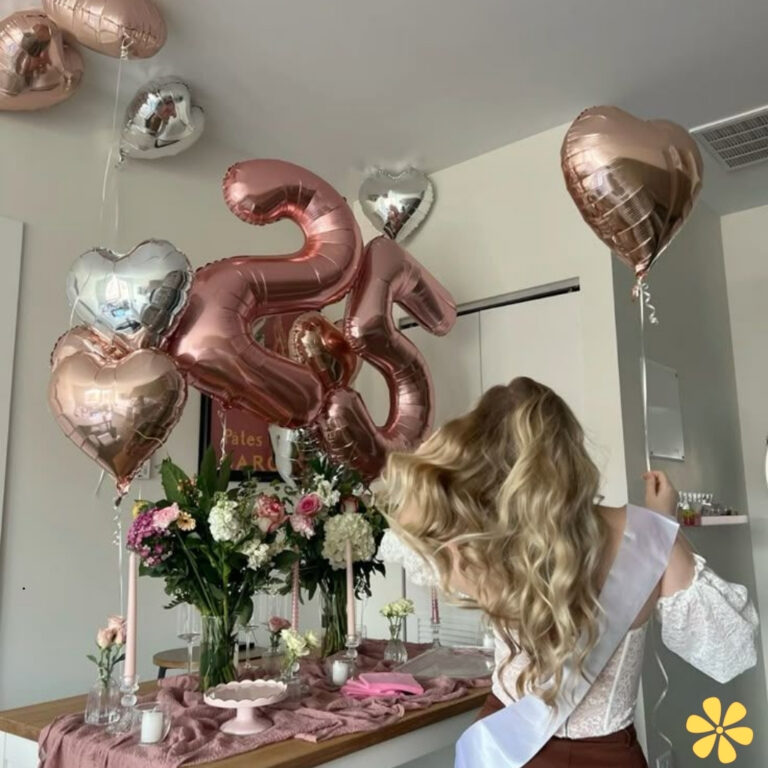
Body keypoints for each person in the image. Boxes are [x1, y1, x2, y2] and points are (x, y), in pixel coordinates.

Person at [382, 377, 758, 767]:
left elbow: (403, 533)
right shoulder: (647, 535)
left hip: (500, 747)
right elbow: (730, 653)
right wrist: (661, 526)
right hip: (603, 756)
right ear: (571, 454)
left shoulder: (477, 546)